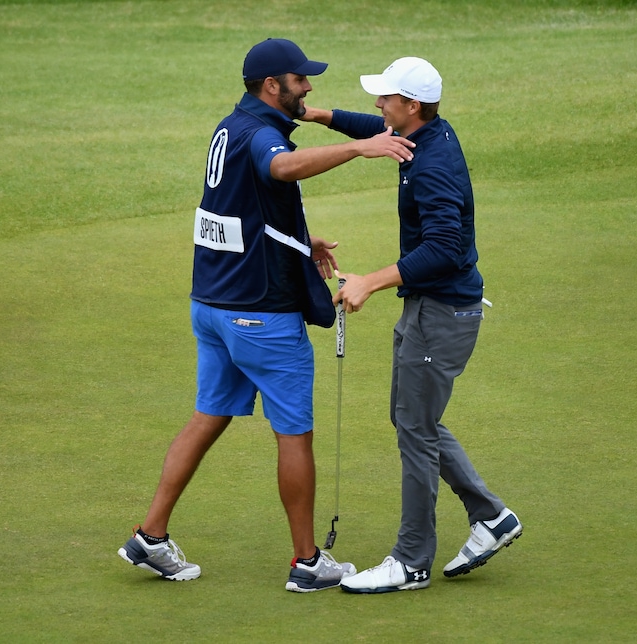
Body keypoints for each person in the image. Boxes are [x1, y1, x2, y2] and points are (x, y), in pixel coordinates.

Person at [117, 39, 416, 593]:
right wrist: (359, 149)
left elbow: (240, 212)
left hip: (211, 306)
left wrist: (300, 243)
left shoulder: (230, 125)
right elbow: (281, 168)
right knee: (294, 436)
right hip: (259, 315)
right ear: (271, 86)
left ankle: (150, 536)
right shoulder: (263, 136)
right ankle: (308, 563)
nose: (308, 87)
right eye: (299, 79)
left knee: (208, 415)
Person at [299, 57, 522, 593]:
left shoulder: (432, 164)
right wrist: (310, 114)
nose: (379, 105)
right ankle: (491, 517)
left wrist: (369, 282)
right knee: (412, 420)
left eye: (386, 98)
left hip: (442, 313)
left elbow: (445, 248)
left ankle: (412, 560)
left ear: (411, 105)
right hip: (430, 308)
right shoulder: (423, 132)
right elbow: (369, 126)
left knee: (416, 430)